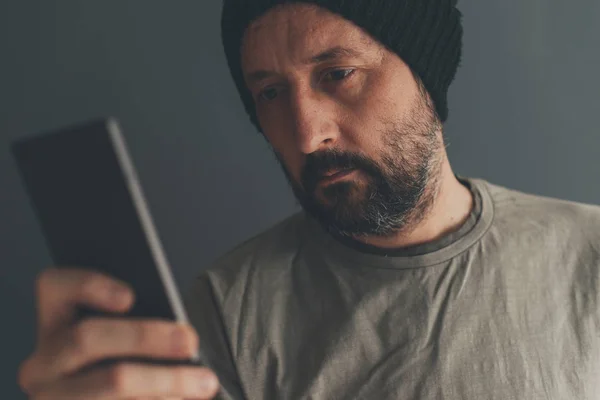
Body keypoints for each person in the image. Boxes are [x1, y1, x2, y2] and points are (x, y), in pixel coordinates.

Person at [18, 0, 600, 399]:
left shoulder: (587, 253)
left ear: (426, 76)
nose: (305, 134)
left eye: (338, 73)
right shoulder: (225, 316)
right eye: (270, 92)